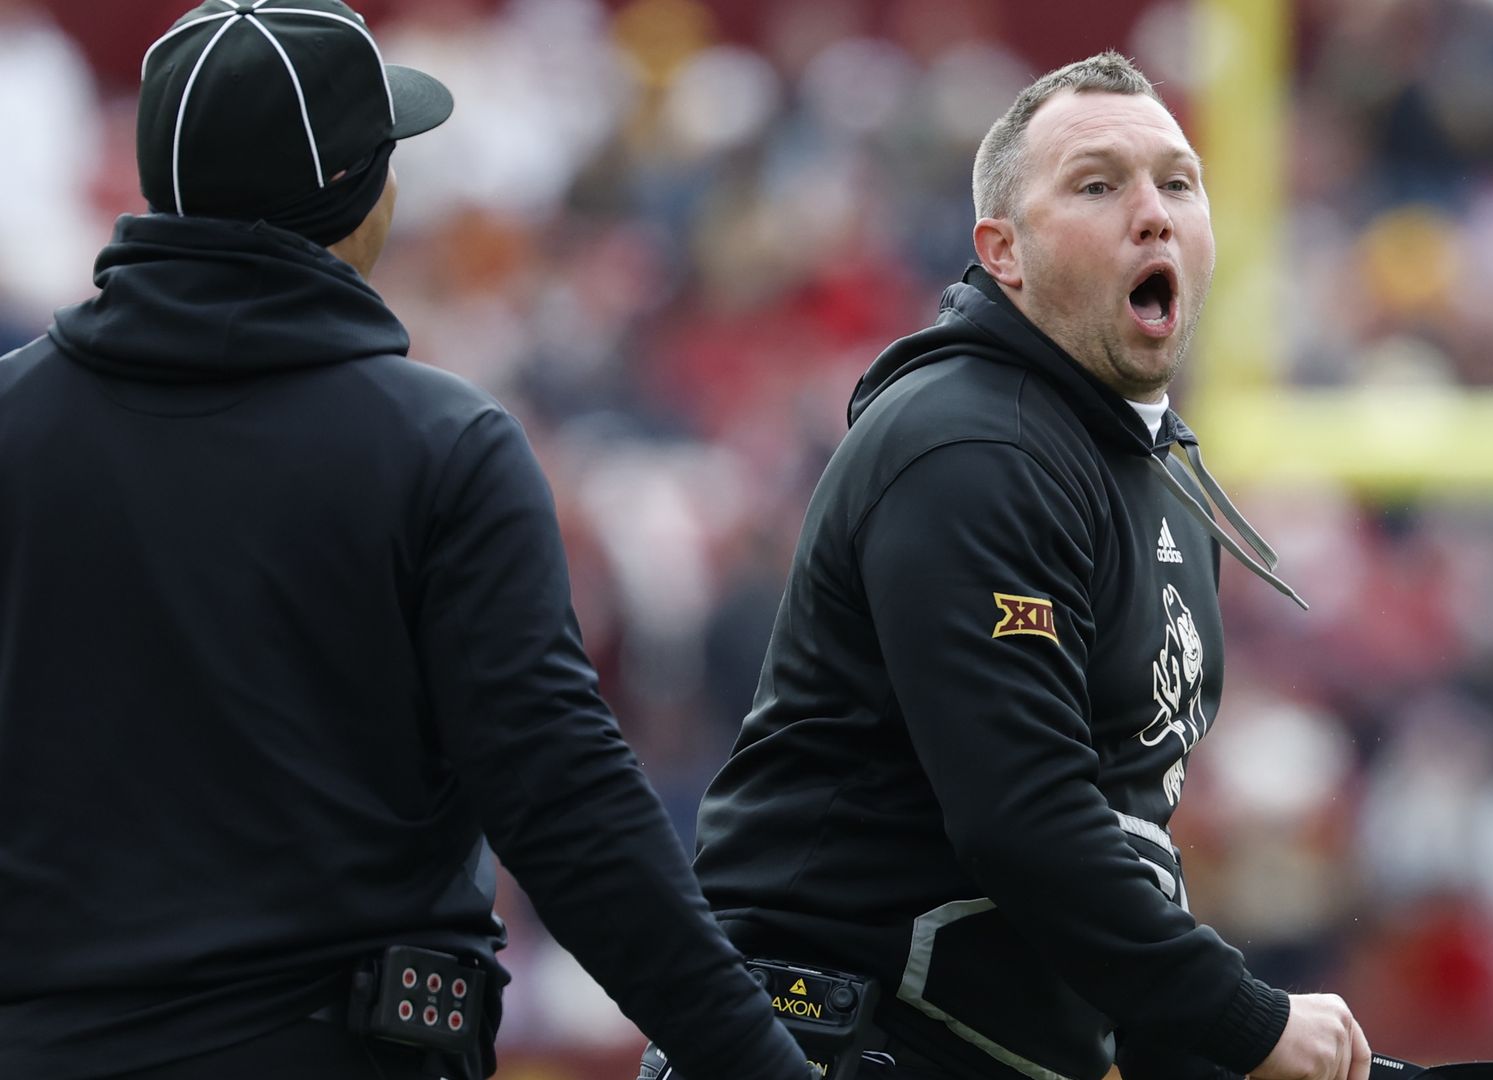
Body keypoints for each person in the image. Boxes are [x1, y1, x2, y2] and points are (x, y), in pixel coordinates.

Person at [0, 4, 812, 1080]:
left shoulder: (12, 421)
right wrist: (758, 1060)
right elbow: (568, 810)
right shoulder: (443, 448)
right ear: (356, 195)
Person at [691, 52, 1372, 1080]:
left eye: (1178, 183)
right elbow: (1023, 819)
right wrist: (1244, 1020)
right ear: (1001, 252)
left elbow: (1122, 830)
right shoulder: (975, 448)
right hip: (838, 1041)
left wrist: (1191, 1042)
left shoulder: (1153, 477)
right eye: (1098, 185)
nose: (1152, 213)